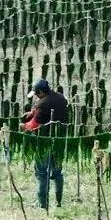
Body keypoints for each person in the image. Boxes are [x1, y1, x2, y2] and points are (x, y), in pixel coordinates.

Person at [21, 79, 68, 210]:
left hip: (45, 141)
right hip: (60, 140)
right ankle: (58, 202)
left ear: (41, 92)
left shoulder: (43, 103)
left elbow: (34, 125)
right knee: (57, 172)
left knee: (41, 172)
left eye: (37, 93)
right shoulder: (60, 97)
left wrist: (23, 126)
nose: (36, 96)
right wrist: (33, 112)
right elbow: (47, 111)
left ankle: (42, 205)